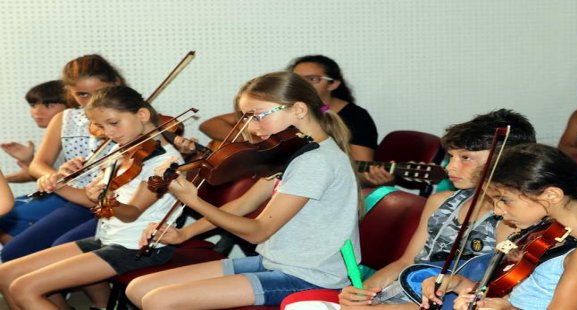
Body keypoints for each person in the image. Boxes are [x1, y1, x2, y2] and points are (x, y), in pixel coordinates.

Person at [125, 71, 360, 309]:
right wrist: (185, 234)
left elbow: (259, 231)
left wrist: (193, 201)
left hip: (310, 277)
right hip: (276, 262)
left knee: (159, 301)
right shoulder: (295, 151)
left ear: (298, 109)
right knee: (138, 288)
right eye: (248, 119)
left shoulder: (315, 161)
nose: (253, 129)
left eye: (258, 116)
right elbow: (243, 204)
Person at [0, 85, 184, 310]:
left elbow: (131, 213)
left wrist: (105, 199)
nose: (110, 133)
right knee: (5, 274)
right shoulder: (122, 152)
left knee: (24, 287)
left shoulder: (166, 163)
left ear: (142, 115)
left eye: (114, 123)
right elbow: (88, 198)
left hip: (137, 248)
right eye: (101, 127)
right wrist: (58, 184)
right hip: (107, 238)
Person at [337, 109, 536, 309]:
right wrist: (364, 292)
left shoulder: (512, 220)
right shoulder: (440, 201)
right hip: (400, 293)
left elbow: (479, 296)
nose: (450, 167)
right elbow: (406, 262)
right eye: (451, 157)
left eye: (465, 158)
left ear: (503, 160)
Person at [421, 144, 577, 310]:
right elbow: (518, 294)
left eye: (504, 200)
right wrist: (459, 283)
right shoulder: (541, 234)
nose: (496, 211)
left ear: (551, 195)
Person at [0, 54, 123, 256]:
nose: (93, 101)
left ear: (115, 83)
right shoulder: (66, 118)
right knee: (13, 253)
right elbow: (38, 165)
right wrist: (53, 176)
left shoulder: (129, 116)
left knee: (60, 250)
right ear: (69, 92)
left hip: (115, 204)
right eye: (82, 94)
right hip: (77, 201)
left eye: (100, 92)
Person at [199, 55, 387, 184]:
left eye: (312, 78)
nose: (303, 84)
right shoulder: (275, 109)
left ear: (334, 83)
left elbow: (360, 167)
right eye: (298, 78)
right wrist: (256, 144)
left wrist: (374, 178)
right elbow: (209, 125)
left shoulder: (356, 117)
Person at [1, 80, 71, 183]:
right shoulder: (54, 137)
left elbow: (65, 182)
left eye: (49, 105)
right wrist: (29, 160)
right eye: (33, 105)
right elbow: (49, 177)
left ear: (71, 107)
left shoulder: (72, 138)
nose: (37, 112)